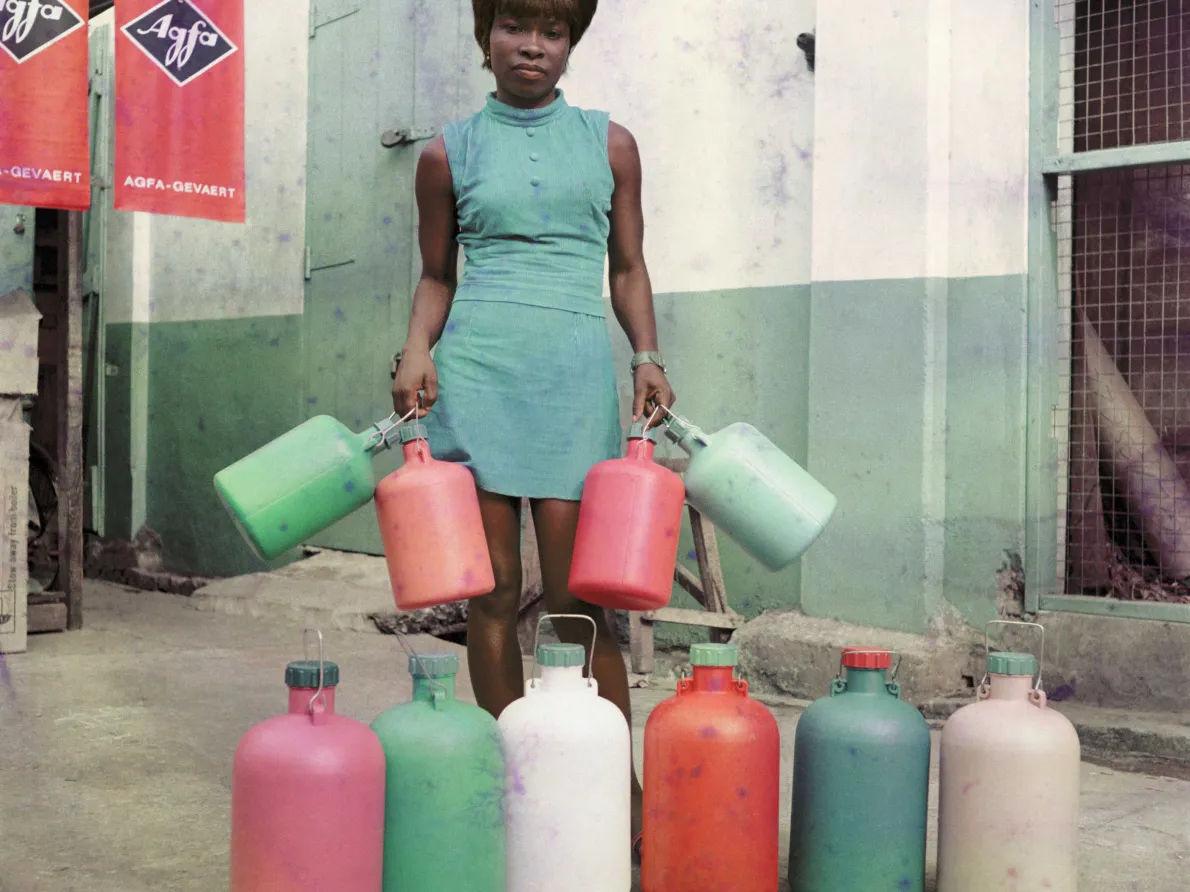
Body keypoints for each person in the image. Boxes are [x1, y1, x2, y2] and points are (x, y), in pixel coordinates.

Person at [390, 0, 674, 856]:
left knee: (580, 600)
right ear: (487, 37)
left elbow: (626, 265)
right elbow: (438, 275)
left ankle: (615, 788)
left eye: (554, 32)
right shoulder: (447, 152)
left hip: (573, 379)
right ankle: (515, 774)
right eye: (516, 26)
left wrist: (646, 354)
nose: (533, 46)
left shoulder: (610, 142)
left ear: (571, 44)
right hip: (477, 377)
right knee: (491, 591)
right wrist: (414, 351)